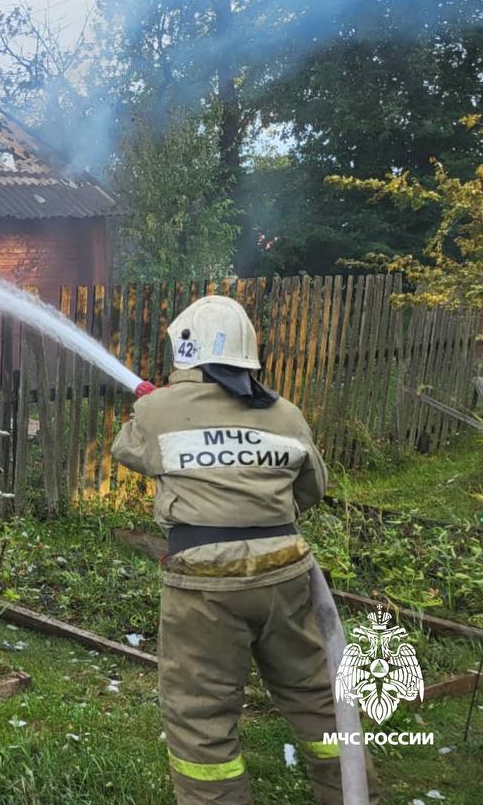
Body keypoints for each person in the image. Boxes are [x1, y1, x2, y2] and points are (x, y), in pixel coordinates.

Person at [111, 295, 378, 805]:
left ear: (184, 350)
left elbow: (129, 450)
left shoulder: (157, 409)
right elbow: (311, 489)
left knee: (201, 715)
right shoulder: (285, 413)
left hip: (205, 584)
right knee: (317, 696)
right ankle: (350, 793)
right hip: (287, 571)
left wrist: (160, 403)